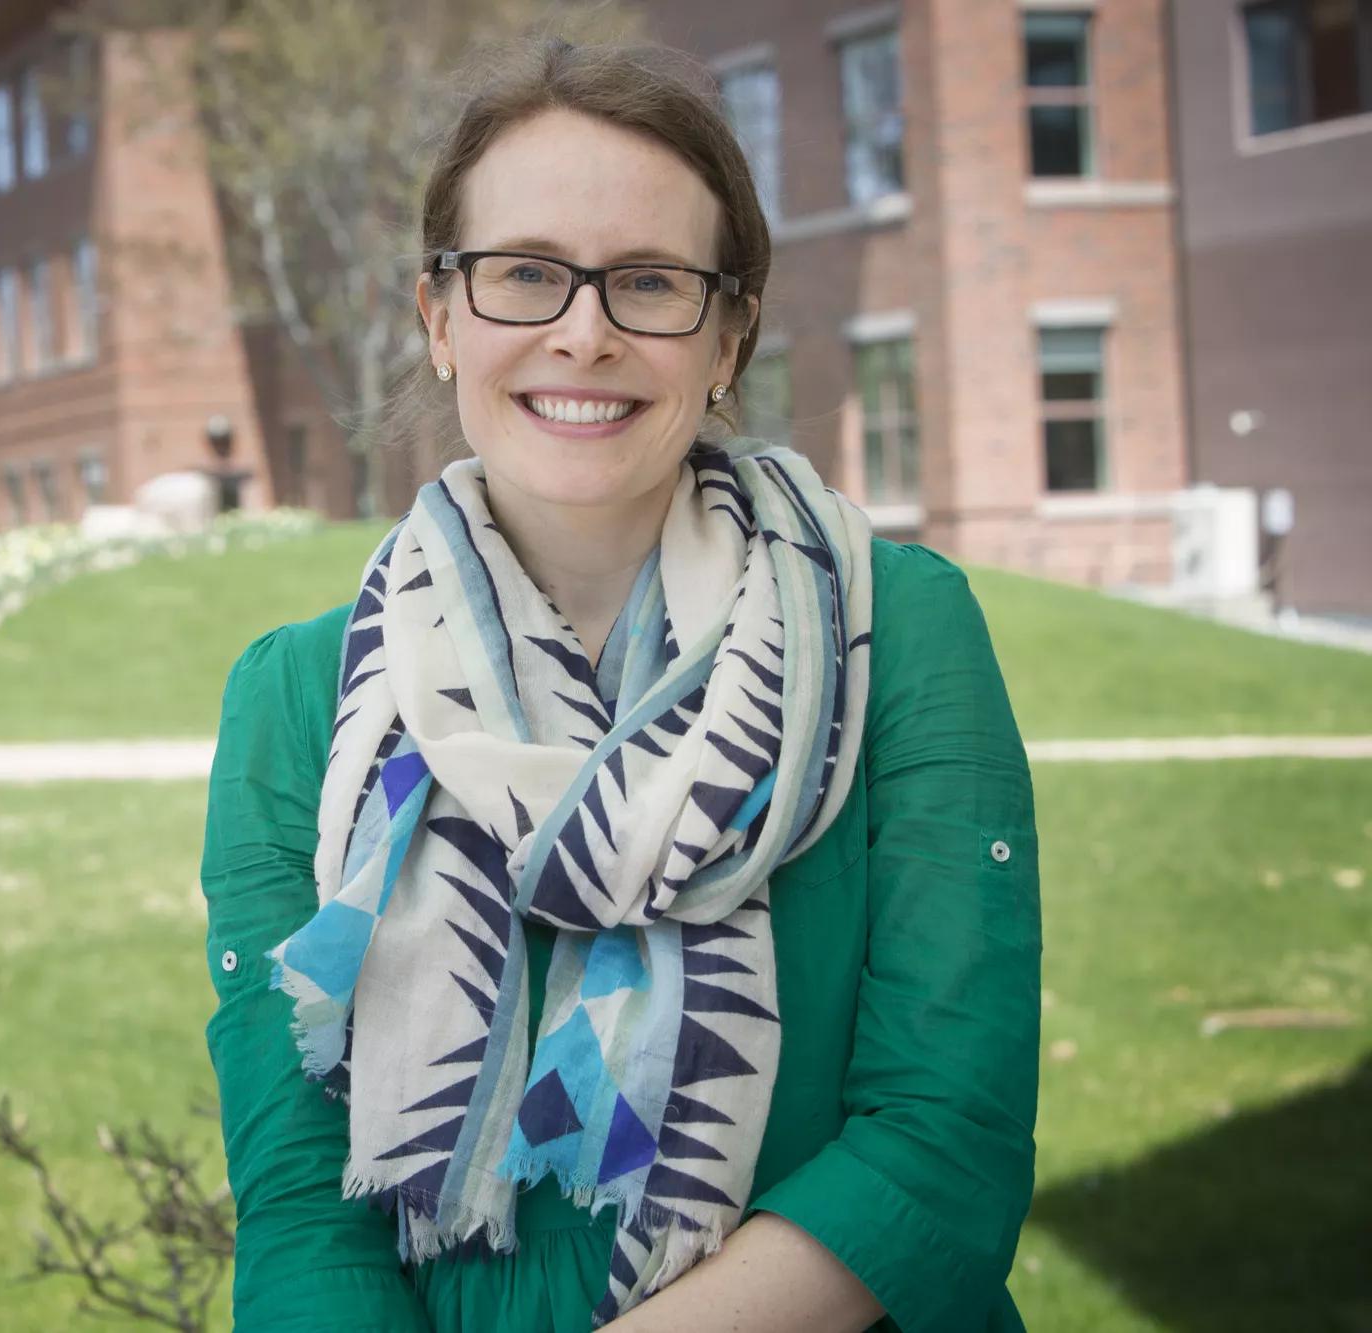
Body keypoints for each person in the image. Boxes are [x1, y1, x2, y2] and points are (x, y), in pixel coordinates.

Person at [200, 37, 1040, 1333]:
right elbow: (309, 1207)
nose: (582, 334)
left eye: (648, 282)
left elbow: (941, 1143)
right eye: (525, 274)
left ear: (728, 336)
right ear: (439, 318)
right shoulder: (297, 698)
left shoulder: (899, 630)